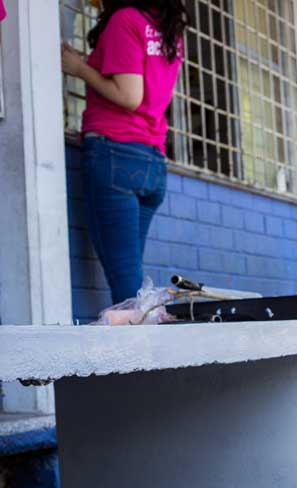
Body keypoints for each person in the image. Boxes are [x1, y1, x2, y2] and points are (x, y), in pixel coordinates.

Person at [61, 0, 188, 304]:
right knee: (131, 279)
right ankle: (149, 345)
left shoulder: (125, 20)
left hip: (116, 153)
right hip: (152, 162)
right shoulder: (167, 30)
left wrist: (78, 68)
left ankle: (143, 351)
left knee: (127, 286)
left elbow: (129, 95)